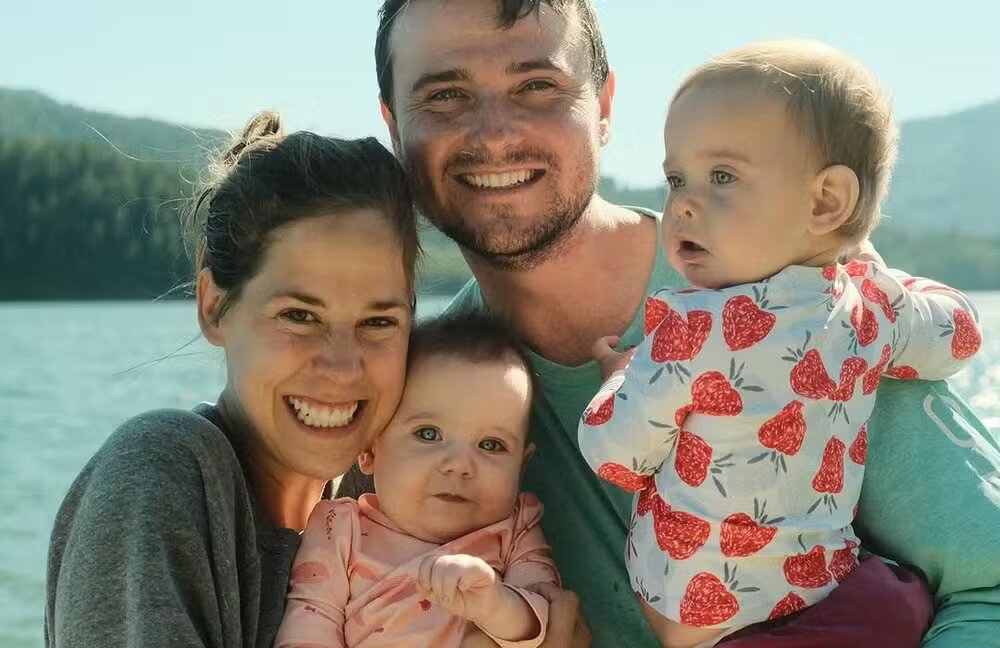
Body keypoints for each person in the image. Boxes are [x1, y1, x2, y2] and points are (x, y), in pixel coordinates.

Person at [368, 1, 1000, 646]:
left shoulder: (798, 293)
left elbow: (989, 590)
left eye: (537, 85)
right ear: (394, 125)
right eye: (444, 95)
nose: (496, 133)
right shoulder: (416, 382)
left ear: (603, 105)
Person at [576, 40, 982, 648]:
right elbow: (960, 335)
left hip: (714, 626)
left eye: (722, 177)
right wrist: (876, 273)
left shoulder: (689, 334)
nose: (682, 204)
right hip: (833, 597)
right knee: (905, 597)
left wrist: (620, 376)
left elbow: (615, 455)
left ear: (825, 201)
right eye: (676, 178)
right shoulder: (869, 311)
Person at [45, 112, 420, 647]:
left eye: (378, 322)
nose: (342, 366)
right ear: (214, 307)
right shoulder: (164, 474)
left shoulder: (384, 498)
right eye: (298, 316)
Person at [276, 313, 560, 647]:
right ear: (369, 449)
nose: (459, 465)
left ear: (521, 467)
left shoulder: (517, 532)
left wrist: (496, 604)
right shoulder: (338, 530)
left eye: (491, 445)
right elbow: (310, 620)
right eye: (428, 434)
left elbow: (549, 614)